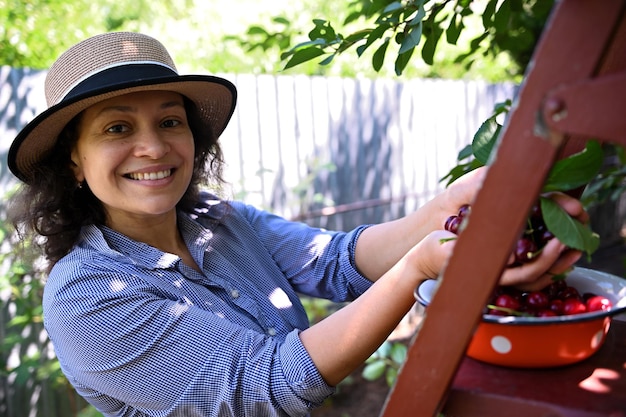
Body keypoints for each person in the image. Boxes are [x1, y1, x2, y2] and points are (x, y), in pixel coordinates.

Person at [7, 32, 585, 417]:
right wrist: (420, 268)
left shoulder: (220, 222)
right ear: (73, 162)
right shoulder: (86, 295)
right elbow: (265, 387)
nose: (153, 147)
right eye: (116, 129)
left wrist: (452, 206)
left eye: (169, 120)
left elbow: (335, 260)